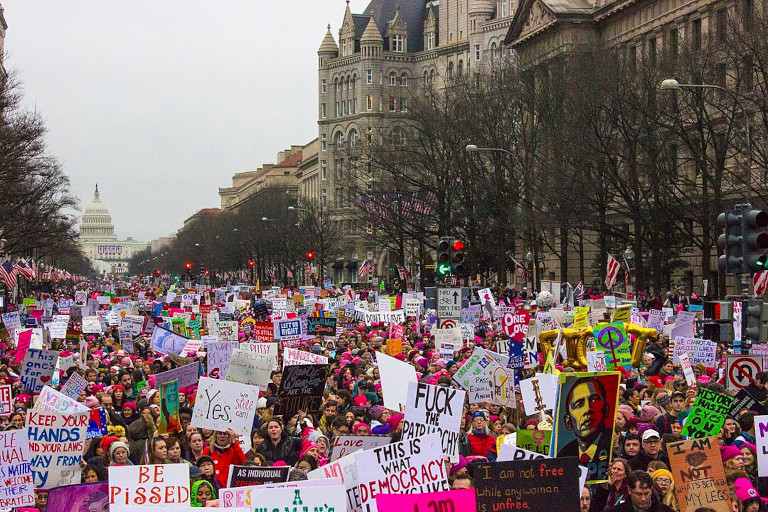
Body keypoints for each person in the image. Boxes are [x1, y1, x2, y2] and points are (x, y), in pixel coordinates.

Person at [558, 377, 614, 481]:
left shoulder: (614, 449)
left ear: (606, 409)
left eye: (594, 400)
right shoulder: (563, 455)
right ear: (568, 421)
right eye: (578, 404)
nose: (588, 409)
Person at [608, 471, 674, 512]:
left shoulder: (665, 510)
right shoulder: (617, 510)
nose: (643, 498)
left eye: (646, 494)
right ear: (629, 490)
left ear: (651, 490)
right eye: (638, 494)